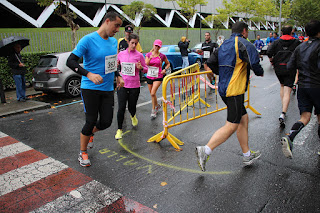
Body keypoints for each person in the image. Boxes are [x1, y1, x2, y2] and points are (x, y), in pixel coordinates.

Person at [195, 21, 264, 172]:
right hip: (234, 91)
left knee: (243, 119)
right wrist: (260, 72)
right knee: (232, 124)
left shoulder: (223, 44)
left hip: (224, 88)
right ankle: (205, 150)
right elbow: (255, 63)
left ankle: (246, 154)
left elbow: (211, 63)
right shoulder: (244, 43)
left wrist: (223, 74)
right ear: (244, 31)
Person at [66, 12, 124, 167]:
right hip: (90, 88)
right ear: (107, 21)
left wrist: (118, 75)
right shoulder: (88, 40)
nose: (118, 29)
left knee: (106, 122)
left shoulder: (113, 42)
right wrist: (88, 74)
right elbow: (70, 61)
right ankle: (82, 152)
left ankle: (91, 133)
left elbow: (111, 63)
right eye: (116, 25)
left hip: (107, 89)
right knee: (90, 120)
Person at [281, 20, 320, 159]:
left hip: (303, 87)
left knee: (305, 117)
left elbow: (290, 66)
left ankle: (290, 137)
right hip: (317, 86)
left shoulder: (300, 47)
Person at [115, 33, 148, 139]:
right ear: (128, 42)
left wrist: (141, 67)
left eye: (136, 43)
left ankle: (133, 115)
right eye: (132, 43)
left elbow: (146, 68)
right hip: (123, 84)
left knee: (131, 107)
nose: (134, 45)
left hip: (134, 85)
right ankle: (119, 129)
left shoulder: (139, 55)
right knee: (121, 108)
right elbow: (117, 66)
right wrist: (116, 66)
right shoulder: (121, 54)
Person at [267, 25, 300, 127]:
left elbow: (269, 52)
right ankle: (283, 112)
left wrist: (272, 62)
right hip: (290, 68)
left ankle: (283, 107)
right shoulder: (296, 42)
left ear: (281, 32)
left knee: (282, 86)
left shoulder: (276, 42)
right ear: (291, 32)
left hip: (278, 68)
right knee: (287, 89)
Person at [145, 39, 170, 119]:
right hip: (149, 76)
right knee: (153, 94)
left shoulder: (162, 56)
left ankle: (153, 110)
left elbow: (168, 63)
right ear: (153, 45)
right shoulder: (148, 54)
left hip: (158, 76)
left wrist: (165, 70)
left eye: (158, 46)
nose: (157, 47)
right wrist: (150, 58)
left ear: (160, 47)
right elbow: (146, 64)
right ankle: (157, 105)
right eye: (156, 45)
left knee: (152, 93)